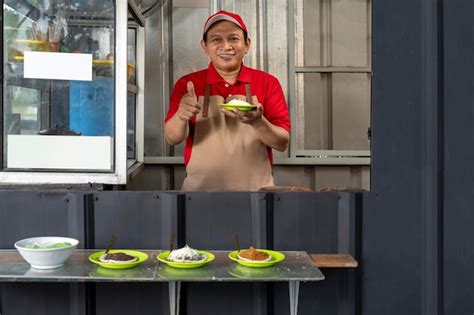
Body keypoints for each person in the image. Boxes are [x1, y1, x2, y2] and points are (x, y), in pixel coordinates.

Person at [164, 10, 290, 191]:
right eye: (216, 40)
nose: (226, 46)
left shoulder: (267, 83)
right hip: (198, 195)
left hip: (257, 196)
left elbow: (282, 143)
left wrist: (258, 121)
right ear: (204, 46)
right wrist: (181, 116)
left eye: (233, 39)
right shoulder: (188, 84)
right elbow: (172, 138)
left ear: (247, 44)